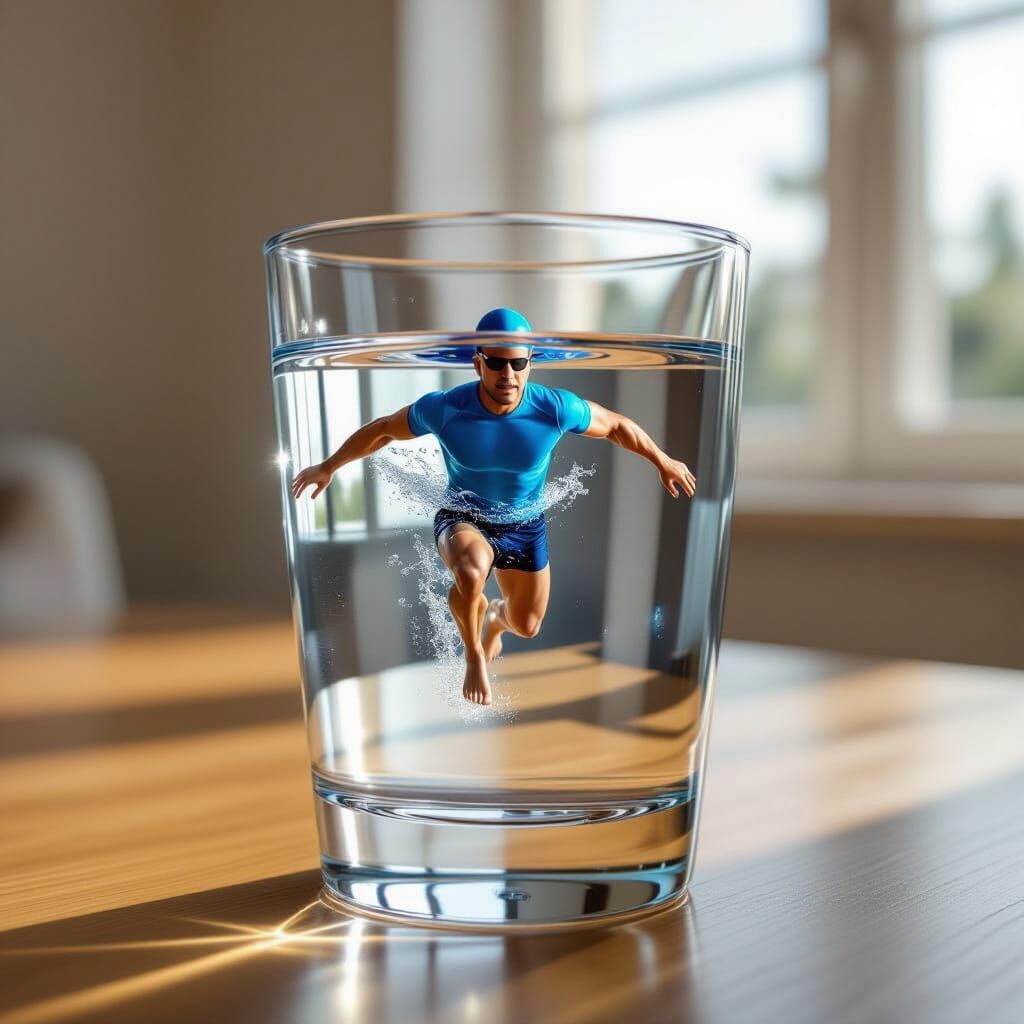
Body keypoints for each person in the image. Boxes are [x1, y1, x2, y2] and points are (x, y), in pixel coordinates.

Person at [291, 308, 696, 706]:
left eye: (518, 363)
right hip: (463, 516)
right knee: (469, 573)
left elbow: (615, 426)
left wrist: (662, 459)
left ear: (531, 363)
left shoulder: (554, 408)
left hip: (524, 525)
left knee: (528, 625)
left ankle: (496, 618)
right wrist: (329, 467)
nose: (508, 375)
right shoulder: (447, 408)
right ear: (477, 363)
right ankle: (473, 657)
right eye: (497, 364)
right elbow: (383, 431)